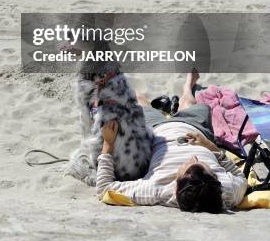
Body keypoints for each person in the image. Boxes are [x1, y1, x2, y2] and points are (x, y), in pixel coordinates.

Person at [97, 69, 247, 212]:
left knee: (139, 99)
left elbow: (104, 188)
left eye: (187, 166)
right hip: (195, 128)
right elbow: (241, 177)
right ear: (215, 177)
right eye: (204, 165)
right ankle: (188, 85)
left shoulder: (155, 189)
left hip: (157, 131)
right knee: (188, 102)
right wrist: (212, 148)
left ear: (175, 187)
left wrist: (108, 143)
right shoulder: (226, 191)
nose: (193, 157)